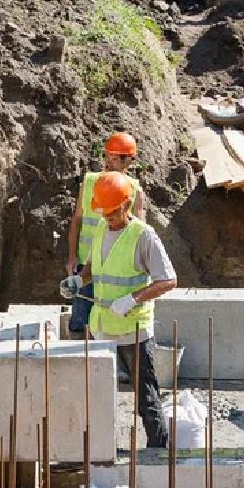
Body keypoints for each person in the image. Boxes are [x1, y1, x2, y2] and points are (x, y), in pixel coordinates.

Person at [78, 170, 176, 449]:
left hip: (133, 330)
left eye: (112, 212)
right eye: (104, 212)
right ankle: (102, 447)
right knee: (99, 391)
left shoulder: (144, 236)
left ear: (126, 205)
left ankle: (158, 448)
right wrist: (79, 278)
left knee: (145, 394)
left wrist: (132, 299)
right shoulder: (101, 226)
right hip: (102, 326)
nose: (108, 218)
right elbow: (94, 266)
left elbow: (168, 280)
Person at [63, 132, 147, 332]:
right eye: (108, 156)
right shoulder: (90, 182)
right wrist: (72, 256)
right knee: (80, 321)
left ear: (129, 161)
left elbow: (139, 233)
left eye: (116, 158)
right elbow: (76, 221)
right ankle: (82, 357)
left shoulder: (134, 190)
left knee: (111, 323)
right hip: (86, 265)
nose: (110, 161)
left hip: (116, 268)